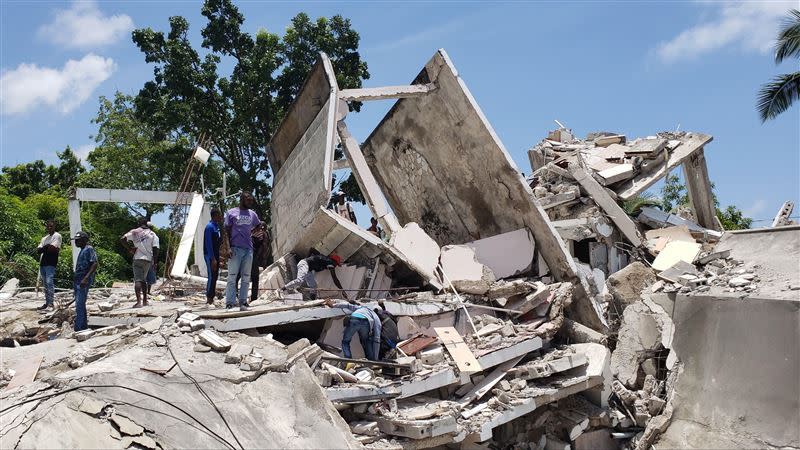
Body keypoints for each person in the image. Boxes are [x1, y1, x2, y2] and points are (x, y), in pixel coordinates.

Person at [224, 192, 260, 311]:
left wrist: (254, 233)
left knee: (246, 277)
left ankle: (243, 303)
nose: (250, 202)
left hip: (248, 249)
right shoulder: (231, 213)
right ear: (242, 200)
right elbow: (226, 232)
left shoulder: (252, 214)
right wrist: (228, 248)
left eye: (251, 200)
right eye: (248, 200)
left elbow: (259, 226)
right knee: (232, 276)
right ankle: (230, 303)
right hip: (235, 249)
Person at [121, 218, 157, 308]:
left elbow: (122, 239)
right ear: (147, 224)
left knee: (138, 280)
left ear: (139, 223)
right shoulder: (152, 234)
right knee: (144, 280)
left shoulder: (134, 232)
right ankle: (145, 301)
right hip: (148, 260)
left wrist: (129, 249)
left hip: (137, 258)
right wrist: (155, 262)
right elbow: (156, 248)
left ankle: (138, 302)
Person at [71, 231, 98, 332]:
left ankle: (78, 328)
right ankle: (83, 326)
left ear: (84, 240)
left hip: (83, 279)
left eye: (78, 240)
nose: (76, 242)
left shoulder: (89, 249)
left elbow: (94, 264)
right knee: (80, 304)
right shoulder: (82, 250)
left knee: (79, 303)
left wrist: (86, 278)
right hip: (78, 279)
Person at [36, 219, 62, 310]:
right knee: (45, 285)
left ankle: (51, 304)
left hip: (51, 263)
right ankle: (47, 303)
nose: (49, 228)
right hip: (43, 263)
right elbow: (38, 251)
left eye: (51, 226)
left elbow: (53, 250)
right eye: (48, 226)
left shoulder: (57, 236)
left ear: (54, 226)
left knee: (49, 282)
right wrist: (47, 247)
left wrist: (45, 247)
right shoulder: (44, 238)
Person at [203, 209, 223, 305]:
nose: (220, 217)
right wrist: (213, 259)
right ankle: (209, 297)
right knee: (211, 275)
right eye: (219, 215)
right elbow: (209, 244)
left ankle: (212, 296)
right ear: (215, 215)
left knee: (215, 276)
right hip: (210, 255)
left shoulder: (217, 226)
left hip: (216, 254)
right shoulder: (209, 227)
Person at [145, 222, 159, 296]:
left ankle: (143, 292)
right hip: (149, 258)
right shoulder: (154, 236)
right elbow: (155, 249)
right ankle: (148, 292)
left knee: (142, 275)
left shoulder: (140, 234)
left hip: (140, 257)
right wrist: (155, 262)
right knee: (150, 274)